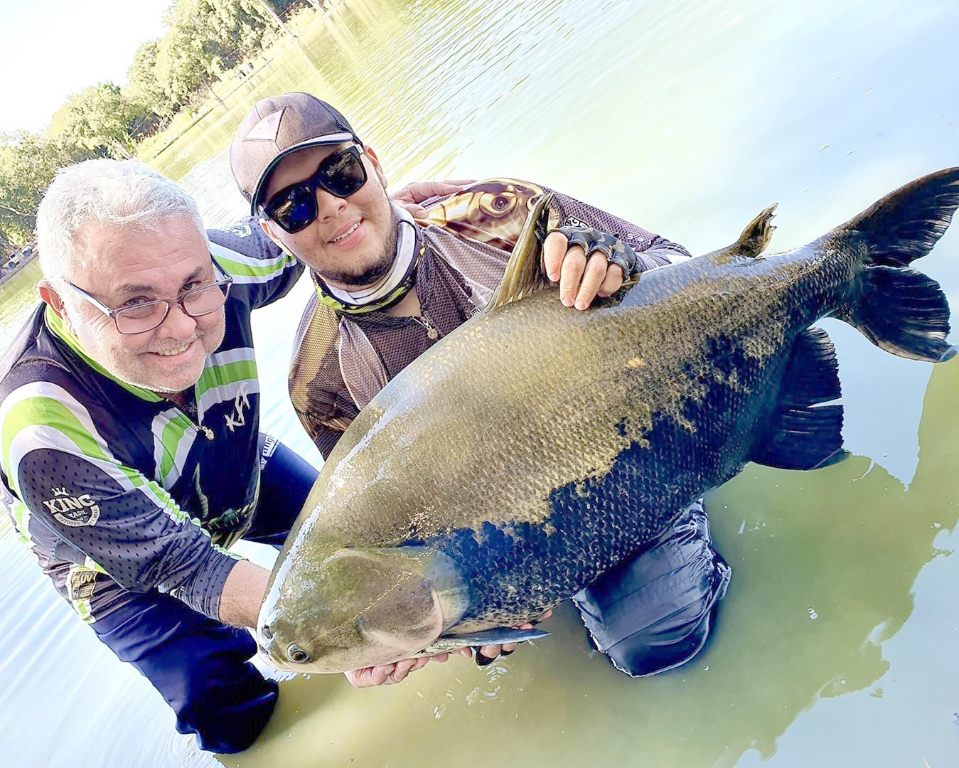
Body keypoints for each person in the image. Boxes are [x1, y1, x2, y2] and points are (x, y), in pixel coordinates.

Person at [228, 92, 733, 677]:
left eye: (340, 173)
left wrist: (625, 267)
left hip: (643, 438)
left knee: (654, 639)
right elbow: (389, 540)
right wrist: (457, 629)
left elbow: (687, 266)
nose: (331, 207)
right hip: (514, 542)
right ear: (272, 232)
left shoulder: (502, 213)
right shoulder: (320, 383)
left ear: (372, 160)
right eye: (294, 206)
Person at [0, 159, 465, 754]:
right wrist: (340, 632)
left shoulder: (230, 265)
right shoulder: (42, 432)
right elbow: (185, 567)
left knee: (385, 545)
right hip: (116, 558)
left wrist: (382, 216)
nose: (180, 328)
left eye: (194, 286)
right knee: (222, 706)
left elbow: (312, 234)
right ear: (59, 304)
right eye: (136, 304)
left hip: (235, 465)